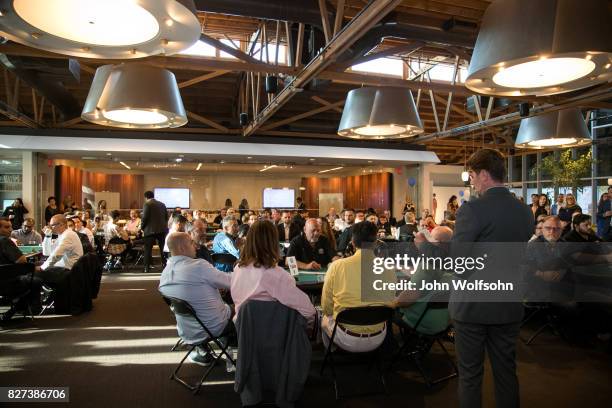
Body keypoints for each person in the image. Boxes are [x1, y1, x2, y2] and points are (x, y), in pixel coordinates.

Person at [451, 148, 533, 408]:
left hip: (472, 307)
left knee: (470, 377)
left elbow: (459, 264)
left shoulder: (472, 210)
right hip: (509, 303)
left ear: (484, 174)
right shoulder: (525, 212)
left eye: (472, 176)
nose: (471, 182)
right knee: (506, 373)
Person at [159, 232, 233, 366]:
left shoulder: (164, 274)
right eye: (192, 242)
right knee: (244, 307)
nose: (196, 246)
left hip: (188, 330)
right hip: (213, 326)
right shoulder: (199, 266)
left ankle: (203, 351)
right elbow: (232, 282)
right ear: (182, 248)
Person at [321, 221, 395, 352]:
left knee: (324, 317)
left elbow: (326, 307)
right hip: (378, 335)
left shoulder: (337, 266)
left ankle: (332, 353)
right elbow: (390, 300)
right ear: (376, 242)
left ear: (353, 242)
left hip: (347, 337)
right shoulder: (389, 269)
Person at [231, 220, 315, 324]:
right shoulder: (275, 274)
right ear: (273, 242)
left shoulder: (237, 269)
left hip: (243, 332)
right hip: (275, 334)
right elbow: (309, 311)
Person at [395, 226, 454, 335]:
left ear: (437, 242)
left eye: (430, 237)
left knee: (387, 308)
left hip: (421, 322)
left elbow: (405, 301)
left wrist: (392, 301)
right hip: (444, 321)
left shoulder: (428, 266)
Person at [38, 214, 83, 283]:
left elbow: (56, 255)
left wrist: (42, 268)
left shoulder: (68, 235)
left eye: (52, 225)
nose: (50, 228)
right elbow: (47, 252)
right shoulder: (61, 235)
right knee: (35, 265)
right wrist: (47, 236)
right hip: (63, 266)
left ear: (61, 225)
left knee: (34, 274)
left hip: (69, 270)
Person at [141, 190, 168, 273]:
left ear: (146, 197)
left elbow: (144, 218)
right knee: (162, 249)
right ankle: (165, 266)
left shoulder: (147, 204)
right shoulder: (162, 204)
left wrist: (142, 227)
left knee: (148, 249)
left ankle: (146, 268)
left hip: (150, 230)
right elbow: (166, 217)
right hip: (162, 230)